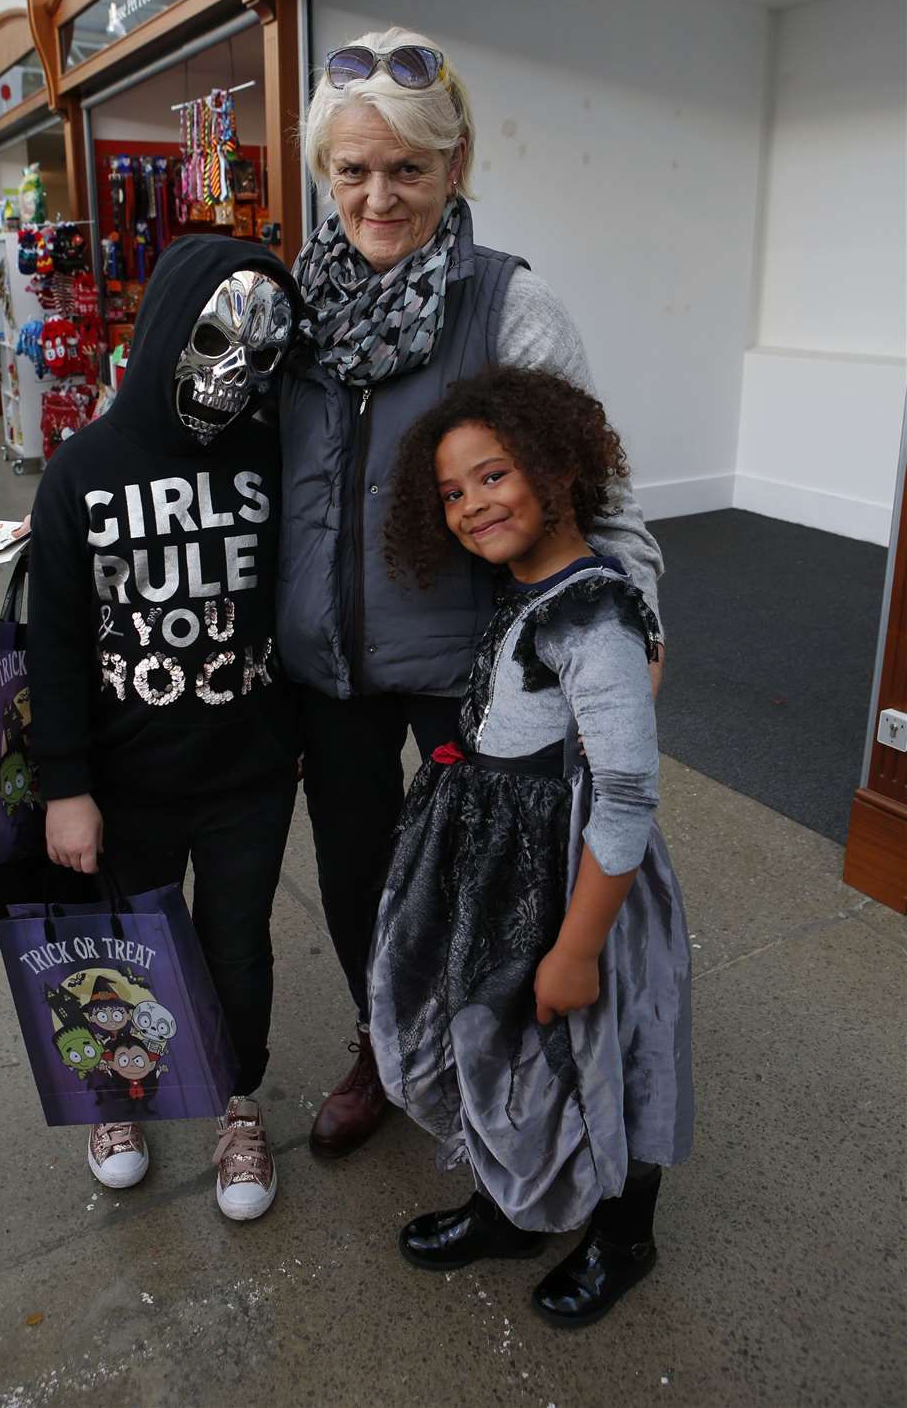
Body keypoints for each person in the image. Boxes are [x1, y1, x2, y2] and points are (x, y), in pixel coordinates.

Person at [280, 29, 666, 1159]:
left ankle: (498, 1063)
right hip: (329, 671)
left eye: (408, 167)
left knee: (488, 888)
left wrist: (633, 651)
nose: (378, 195)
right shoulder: (289, 313)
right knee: (356, 882)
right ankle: (382, 1039)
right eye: (352, 170)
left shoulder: (507, 305)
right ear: (323, 175)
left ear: (457, 167)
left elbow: (608, 500)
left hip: (477, 674)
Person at [369, 365, 693, 1326]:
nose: (472, 504)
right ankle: (516, 1205)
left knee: (615, 1054)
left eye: (494, 475)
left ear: (557, 467)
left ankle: (624, 1236)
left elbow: (627, 795)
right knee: (510, 1048)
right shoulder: (526, 589)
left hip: (581, 888)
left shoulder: (590, 613)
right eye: (453, 492)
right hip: (513, 875)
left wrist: (580, 947)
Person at [27, 237, 301, 1220]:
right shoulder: (82, 474)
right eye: (216, 339)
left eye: (262, 358)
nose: (235, 376)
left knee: (236, 945)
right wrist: (65, 783)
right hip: (124, 779)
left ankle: (236, 1104)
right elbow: (54, 638)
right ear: (162, 334)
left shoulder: (273, 457)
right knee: (118, 943)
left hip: (249, 776)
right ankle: (120, 1096)